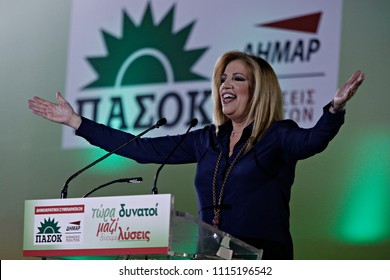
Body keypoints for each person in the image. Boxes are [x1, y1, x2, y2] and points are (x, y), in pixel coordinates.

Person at [28, 51, 365, 259]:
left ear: (258, 89)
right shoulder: (207, 139)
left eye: (237, 78)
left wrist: (334, 109)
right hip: (210, 259)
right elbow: (142, 150)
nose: (225, 85)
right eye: (222, 79)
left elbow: (312, 142)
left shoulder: (276, 135)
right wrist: (77, 122)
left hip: (264, 259)